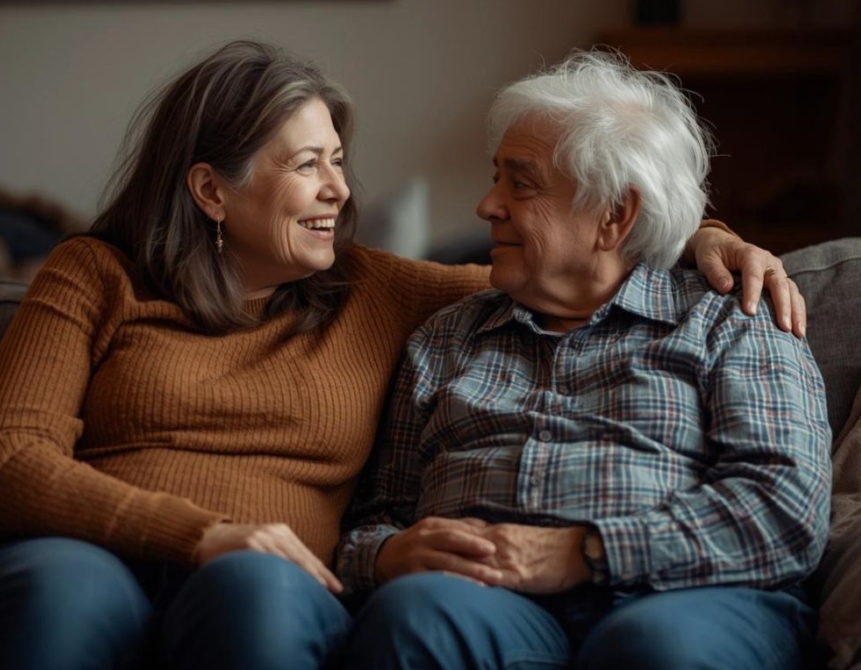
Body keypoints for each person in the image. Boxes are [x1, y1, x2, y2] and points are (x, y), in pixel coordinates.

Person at [0, 40, 808, 670]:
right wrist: (201, 534)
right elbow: (4, 461)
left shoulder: (377, 290)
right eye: (307, 165)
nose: (340, 190)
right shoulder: (96, 272)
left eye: (339, 161)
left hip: (268, 580)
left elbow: (580, 270)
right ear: (210, 189)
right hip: (79, 553)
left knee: (256, 593)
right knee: (68, 591)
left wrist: (700, 235)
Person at [336, 49, 831, 670]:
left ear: (614, 215)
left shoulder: (733, 319)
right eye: (495, 178)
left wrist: (584, 552)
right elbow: (372, 519)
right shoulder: (445, 339)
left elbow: (784, 511)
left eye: (519, 184)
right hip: (487, 604)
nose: (486, 206)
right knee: (415, 618)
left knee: (653, 648)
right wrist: (386, 555)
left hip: (690, 600)